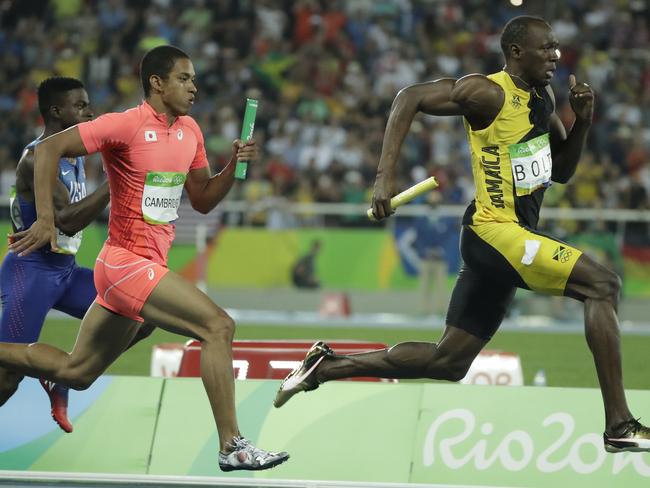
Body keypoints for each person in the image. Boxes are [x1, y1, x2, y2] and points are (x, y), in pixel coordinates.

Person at [273, 16, 650, 453]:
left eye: (557, 48)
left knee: (449, 361)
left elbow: (561, 171)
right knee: (603, 286)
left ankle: (325, 366)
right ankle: (619, 424)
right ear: (515, 53)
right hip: (495, 232)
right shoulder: (486, 92)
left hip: (510, 237)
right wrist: (383, 179)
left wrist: (582, 122)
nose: (555, 56)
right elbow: (408, 97)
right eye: (545, 48)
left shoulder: (543, 98)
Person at [3, 46, 289, 471]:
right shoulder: (125, 124)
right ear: (157, 83)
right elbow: (46, 151)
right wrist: (47, 219)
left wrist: (233, 166)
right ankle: (232, 445)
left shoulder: (190, 130)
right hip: (122, 263)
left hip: (146, 265)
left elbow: (204, 199)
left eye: (193, 79)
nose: (194, 87)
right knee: (217, 326)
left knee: (76, 373)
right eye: (184, 78)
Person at [0, 77, 153, 433]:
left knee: (144, 315)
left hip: (66, 273)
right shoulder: (37, 157)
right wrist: (119, 182)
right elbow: (65, 222)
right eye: (81, 106)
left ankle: (64, 374)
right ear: (56, 111)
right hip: (32, 271)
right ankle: (56, 372)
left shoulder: (75, 153)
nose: (91, 112)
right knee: (7, 381)